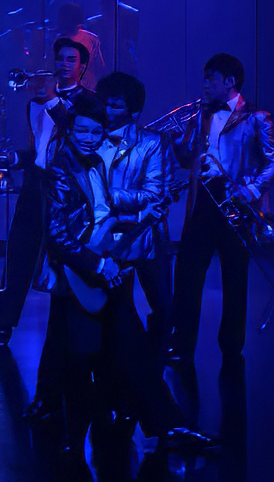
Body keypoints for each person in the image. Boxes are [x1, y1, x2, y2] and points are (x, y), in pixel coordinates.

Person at [42, 95, 211, 478]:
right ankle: (75, 438)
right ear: (70, 131)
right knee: (82, 361)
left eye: (95, 131)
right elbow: (57, 236)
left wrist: (137, 216)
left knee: (132, 353)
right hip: (80, 277)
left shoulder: (98, 164)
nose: (87, 138)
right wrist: (99, 264)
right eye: (81, 130)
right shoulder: (60, 170)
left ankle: (168, 426)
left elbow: (100, 216)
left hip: (107, 272)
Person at [0, 38, 93, 348]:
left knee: (64, 257)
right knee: (19, 251)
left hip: (67, 190)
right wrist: (16, 159)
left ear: (82, 67)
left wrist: (51, 99)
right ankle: (2, 322)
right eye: (60, 58)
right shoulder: (35, 103)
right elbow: (39, 148)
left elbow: (71, 131)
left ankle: (74, 329)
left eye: (70, 60)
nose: (63, 64)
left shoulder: (87, 103)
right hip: (36, 183)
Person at [167, 52, 274, 364]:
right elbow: (185, 160)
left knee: (235, 278)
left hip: (237, 204)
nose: (205, 84)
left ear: (230, 82)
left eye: (211, 78)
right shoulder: (200, 115)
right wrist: (179, 141)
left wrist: (252, 189)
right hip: (203, 199)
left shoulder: (256, 116)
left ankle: (231, 348)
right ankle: (181, 343)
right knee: (188, 273)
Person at [97, 71, 176, 344]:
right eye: (106, 103)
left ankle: (155, 358)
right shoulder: (93, 139)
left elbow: (156, 193)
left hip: (145, 236)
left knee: (163, 306)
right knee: (113, 309)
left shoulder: (152, 142)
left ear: (133, 107)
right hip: (105, 237)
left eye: (116, 104)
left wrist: (108, 196)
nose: (108, 110)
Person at [85, 0, 139, 77]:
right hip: (103, 62)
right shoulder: (92, 23)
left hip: (124, 61)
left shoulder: (130, 14)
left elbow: (134, 39)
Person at [52, 1, 105, 92]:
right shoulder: (56, 41)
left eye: (63, 17)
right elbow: (51, 68)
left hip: (88, 90)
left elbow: (100, 67)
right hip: (64, 90)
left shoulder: (92, 39)